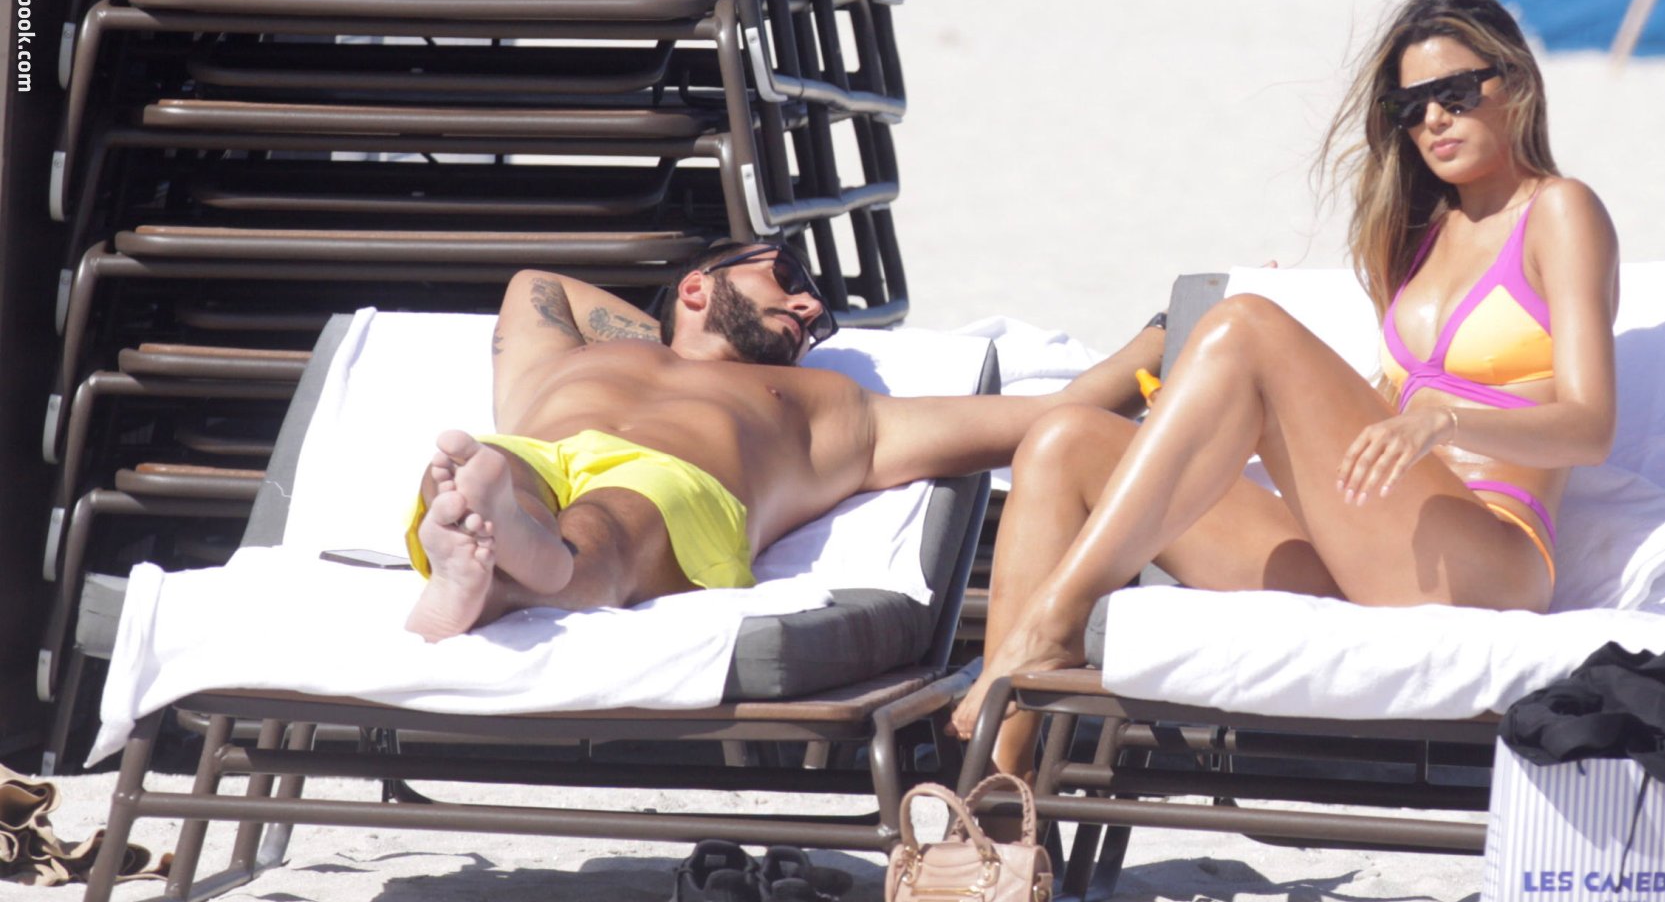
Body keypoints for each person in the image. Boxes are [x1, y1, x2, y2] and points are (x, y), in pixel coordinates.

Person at [950, 0, 1622, 775]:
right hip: (1375, 544)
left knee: (1246, 325)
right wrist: (1217, 419)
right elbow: (1379, 412)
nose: (1434, 120)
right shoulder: (1418, 236)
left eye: (1453, 93)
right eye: (1410, 108)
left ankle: (1051, 622)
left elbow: (1591, 427)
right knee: (1064, 442)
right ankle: (996, 802)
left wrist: (1446, 420)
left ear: (1512, 81)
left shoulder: (1560, 211)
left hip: (1488, 558)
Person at [403, 240, 1163, 641]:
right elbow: (538, 284)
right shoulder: (576, 356)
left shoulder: (836, 407)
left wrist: (1170, 335)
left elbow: (1063, 412)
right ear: (696, 286)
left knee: (607, 521)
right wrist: (677, 335)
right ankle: (501, 548)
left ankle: (504, 566)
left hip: (679, 483)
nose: (808, 308)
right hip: (540, 455)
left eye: (820, 319)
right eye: (788, 277)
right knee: (499, 466)